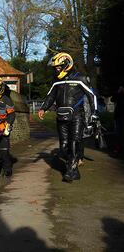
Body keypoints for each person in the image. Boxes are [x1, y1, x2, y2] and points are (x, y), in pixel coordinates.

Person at [38, 52, 98, 182]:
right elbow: (50, 96)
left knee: (75, 142)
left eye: (59, 67)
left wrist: (94, 114)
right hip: (61, 117)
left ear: (67, 64)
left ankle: (71, 170)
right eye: (55, 67)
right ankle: (74, 170)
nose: (56, 69)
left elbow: (91, 96)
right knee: (64, 147)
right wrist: (43, 108)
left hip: (77, 116)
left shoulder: (80, 78)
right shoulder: (56, 81)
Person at [111, 85, 124, 154]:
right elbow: (112, 99)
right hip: (118, 116)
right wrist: (118, 92)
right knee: (118, 133)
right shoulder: (119, 94)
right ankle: (117, 148)